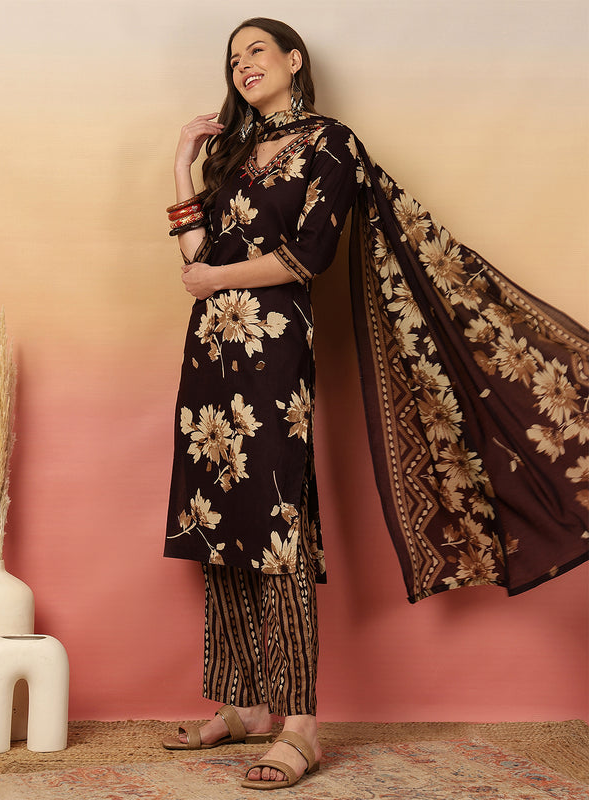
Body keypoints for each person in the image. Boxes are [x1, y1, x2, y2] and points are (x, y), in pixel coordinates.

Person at [162, 17, 588, 791]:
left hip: (273, 356)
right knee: (220, 521)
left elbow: (307, 257)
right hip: (209, 361)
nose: (244, 64)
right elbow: (197, 258)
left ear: (294, 59)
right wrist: (181, 163)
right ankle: (243, 704)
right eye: (233, 57)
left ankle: (299, 725)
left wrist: (216, 280)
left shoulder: (330, 143)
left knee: (277, 526)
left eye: (257, 49)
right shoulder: (231, 155)